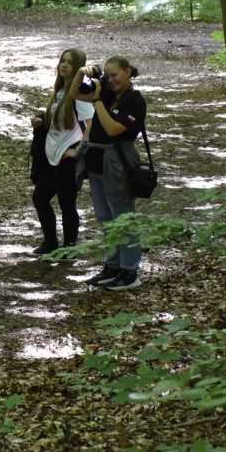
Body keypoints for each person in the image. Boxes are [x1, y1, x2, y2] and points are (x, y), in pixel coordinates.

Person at [72, 56, 147, 290]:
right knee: (106, 219)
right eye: (107, 75)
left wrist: (97, 101)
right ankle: (112, 265)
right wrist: (81, 73)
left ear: (127, 72)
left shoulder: (135, 101)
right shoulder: (105, 92)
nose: (110, 79)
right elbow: (74, 94)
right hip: (96, 161)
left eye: (115, 75)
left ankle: (130, 270)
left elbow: (114, 129)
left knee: (123, 219)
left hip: (118, 161)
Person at [30, 48, 94, 255]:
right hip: (51, 154)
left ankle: (69, 247)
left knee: (67, 203)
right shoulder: (59, 90)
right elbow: (60, 119)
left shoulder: (80, 93)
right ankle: (51, 243)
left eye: (70, 63)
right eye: (62, 61)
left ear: (78, 68)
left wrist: (78, 151)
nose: (64, 65)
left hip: (68, 156)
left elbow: (91, 124)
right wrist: (43, 120)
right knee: (40, 198)